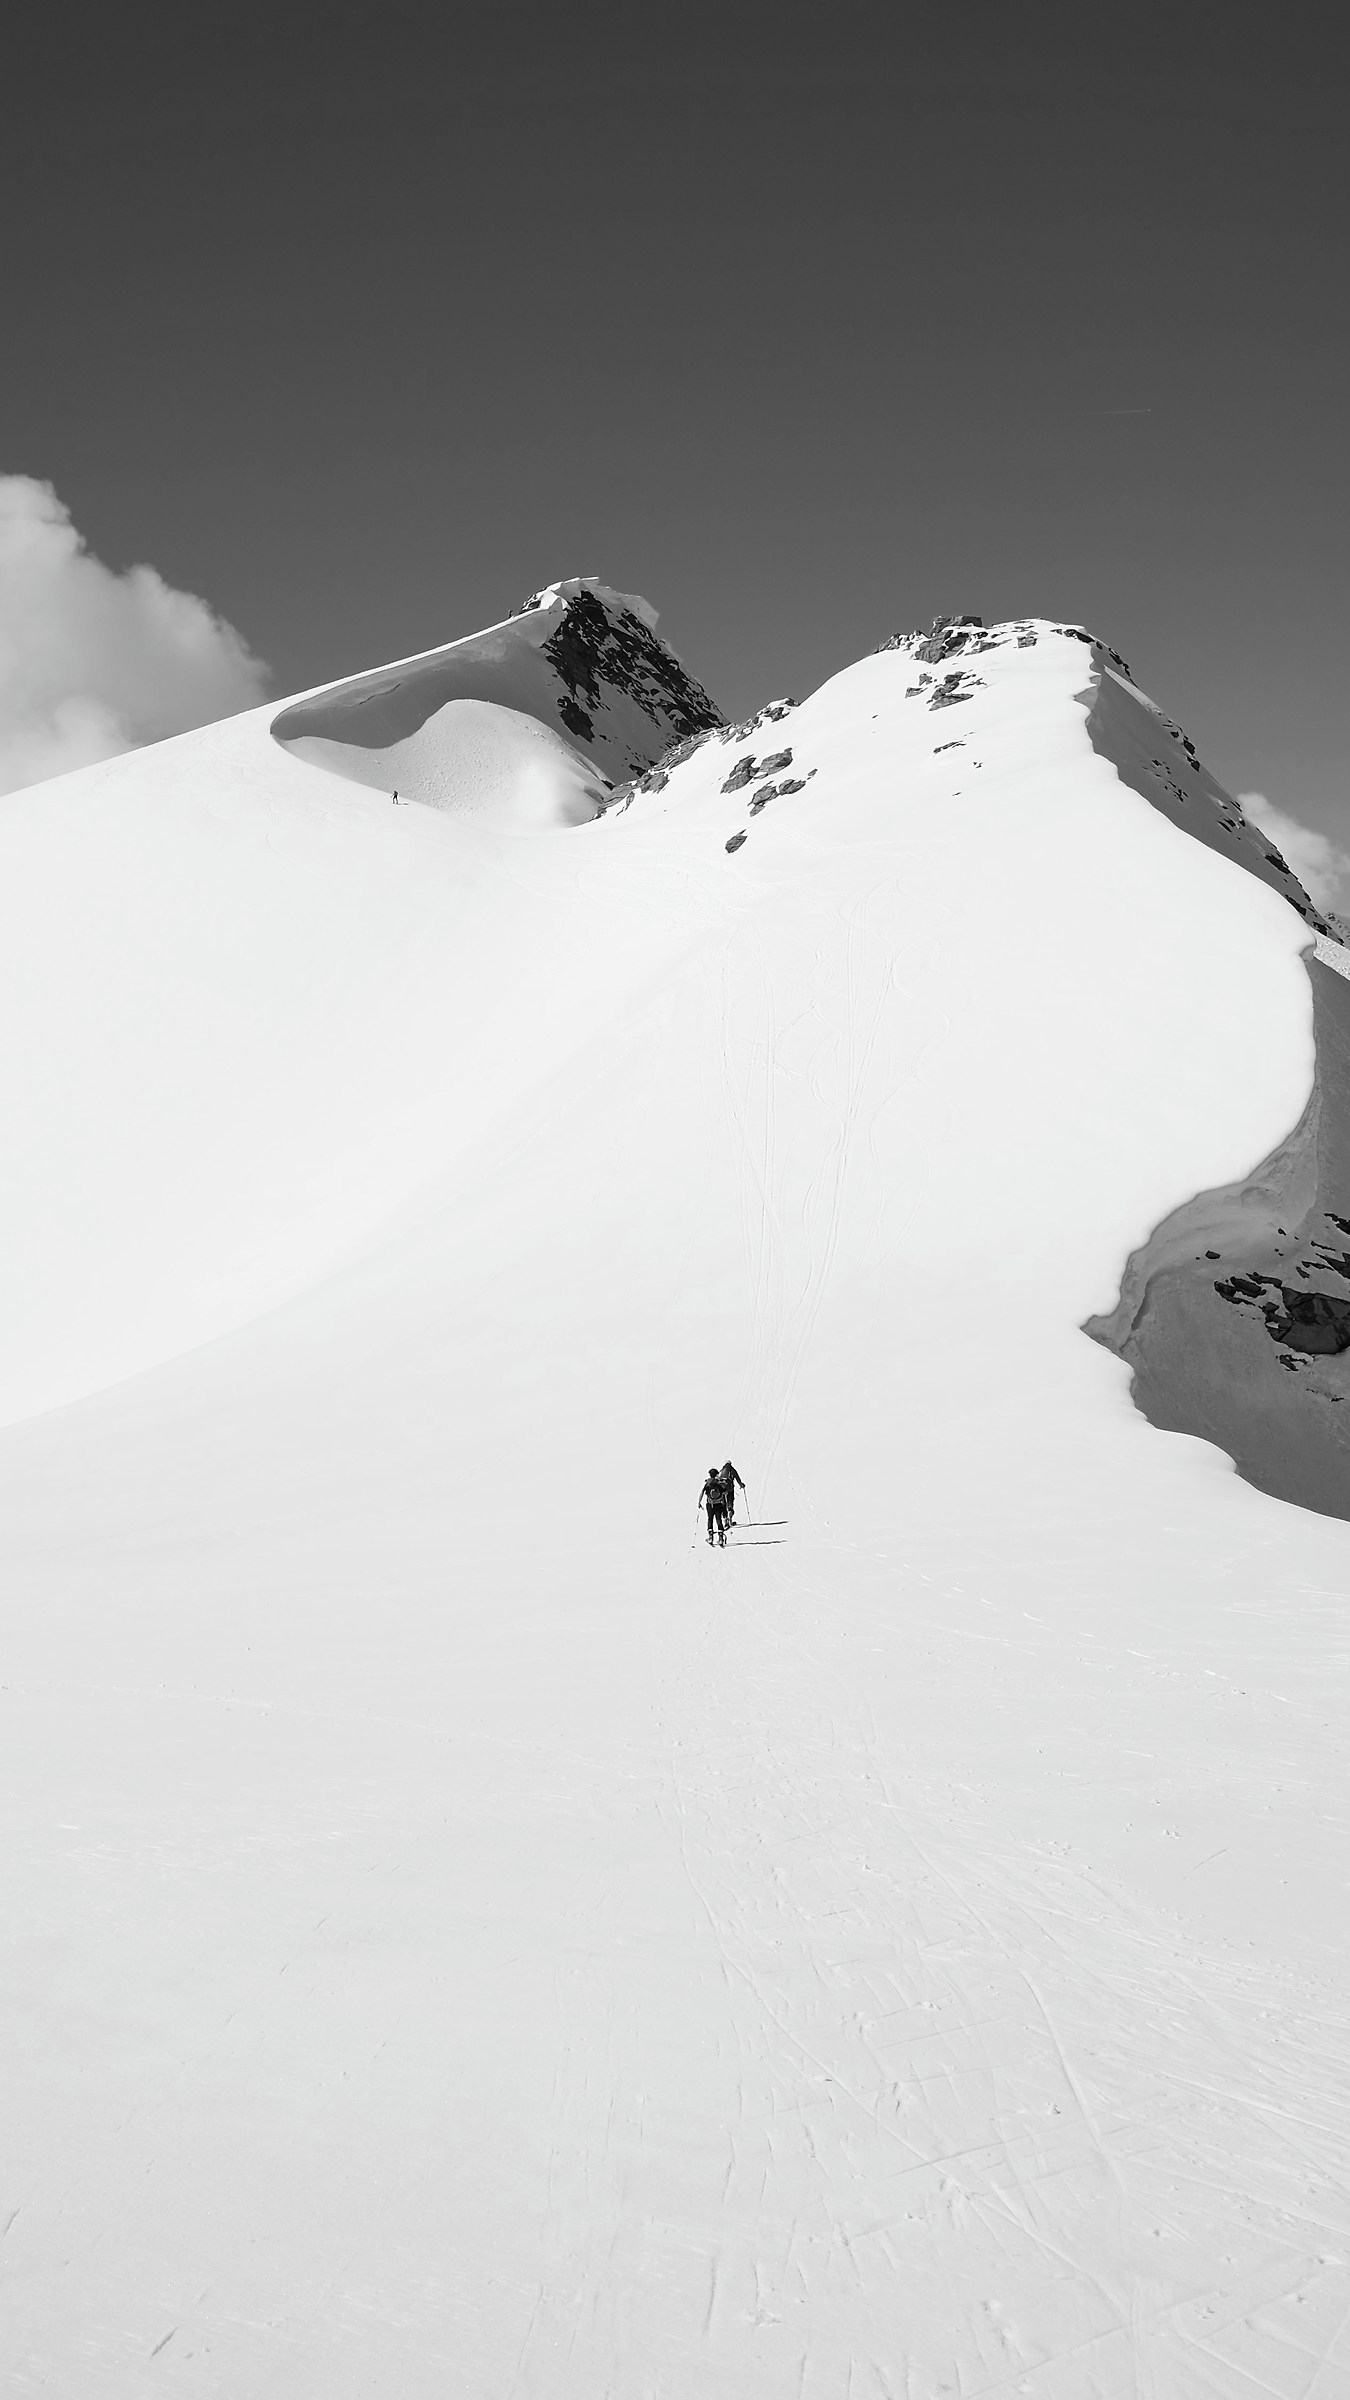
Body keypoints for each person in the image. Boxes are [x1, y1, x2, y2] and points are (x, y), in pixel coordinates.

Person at [699, 1466, 728, 1547]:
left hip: (710, 1504)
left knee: (710, 1519)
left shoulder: (708, 1483)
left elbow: (702, 1492)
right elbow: (725, 1492)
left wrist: (699, 1502)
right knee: (719, 1520)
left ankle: (710, 1537)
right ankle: (721, 1539)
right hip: (719, 1504)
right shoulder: (719, 1483)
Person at [719, 1461, 746, 1527]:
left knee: (723, 1504)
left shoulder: (721, 1471)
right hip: (730, 1489)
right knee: (730, 1503)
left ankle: (725, 1521)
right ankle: (730, 1520)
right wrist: (742, 1485)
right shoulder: (732, 1470)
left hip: (722, 1489)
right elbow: (738, 1479)